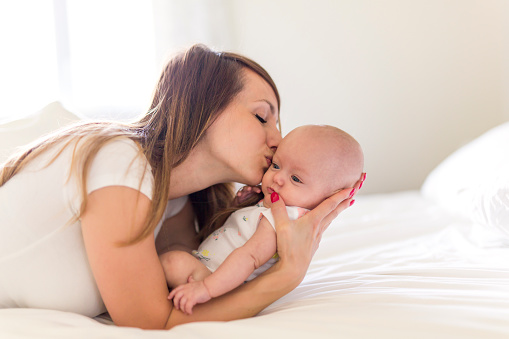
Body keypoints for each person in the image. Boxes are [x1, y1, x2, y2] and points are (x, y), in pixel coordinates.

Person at [0, 44, 365, 329]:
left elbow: (188, 296)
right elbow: (152, 321)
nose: (278, 140)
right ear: (204, 107)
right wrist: (287, 276)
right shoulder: (120, 161)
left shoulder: (177, 204)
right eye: (261, 116)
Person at [160, 125, 365, 315]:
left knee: (172, 262)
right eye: (276, 165)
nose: (277, 178)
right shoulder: (273, 207)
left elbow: (250, 257)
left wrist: (206, 288)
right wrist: (240, 205)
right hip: (211, 271)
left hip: (218, 281)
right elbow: (231, 235)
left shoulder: (283, 220)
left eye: (296, 179)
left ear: (330, 196)